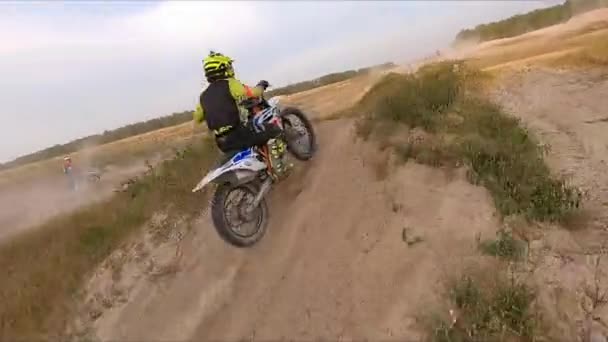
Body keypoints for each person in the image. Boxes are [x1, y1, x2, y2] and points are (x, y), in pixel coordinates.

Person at [193, 51, 292, 179]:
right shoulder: (230, 83)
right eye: (228, 66)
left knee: (254, 135)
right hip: (238, 134)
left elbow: (197, 117)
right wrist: (262, 85)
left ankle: (261, 172)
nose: (230, 68)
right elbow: (253, 93)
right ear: (222, 68)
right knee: (273, 130)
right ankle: (280, 170)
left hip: (221, 142)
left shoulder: (204, 96)